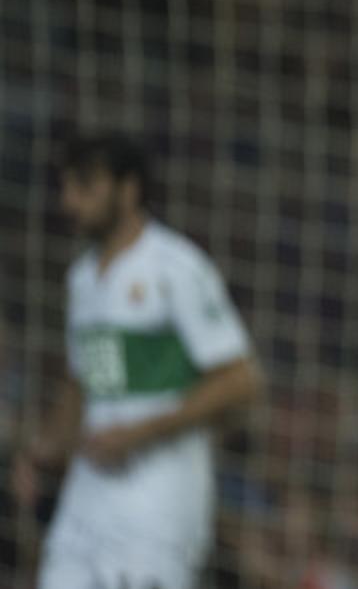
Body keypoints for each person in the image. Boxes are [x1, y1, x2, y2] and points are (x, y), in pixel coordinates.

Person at [11, 137, 263, 588]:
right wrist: (41, 451)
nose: (69, 201)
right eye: (66, 188)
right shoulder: (83, 279)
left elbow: (240, 379)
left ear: (128, 190)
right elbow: (85, 382)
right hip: (89, 495)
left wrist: (139, 433)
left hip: (158, 500)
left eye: (85, 186)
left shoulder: (177, 267)